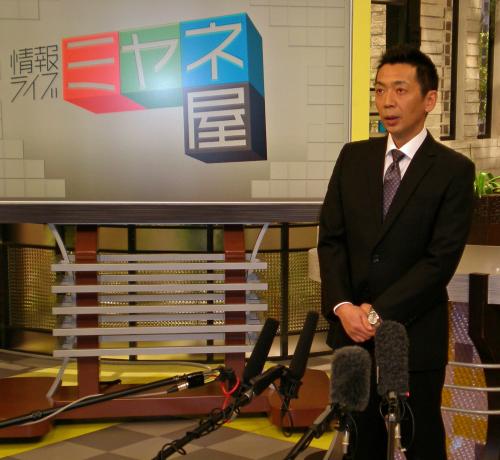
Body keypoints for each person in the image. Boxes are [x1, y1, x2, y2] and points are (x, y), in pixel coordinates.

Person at [318, 45, 475, 460]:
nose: (387, 101)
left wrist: (376, 314)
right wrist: (343, 308)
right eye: (380, 89)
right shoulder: (353, 158)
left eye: (400, 90)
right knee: (358, 443)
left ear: (429, 99)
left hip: (413, 334)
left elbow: (439, 261)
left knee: (421, 441)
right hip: (350, 334)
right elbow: (331, 240)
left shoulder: (453, 171)